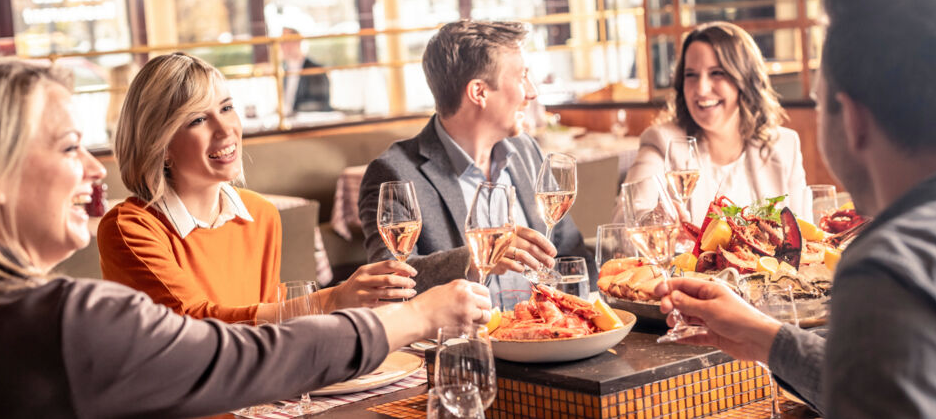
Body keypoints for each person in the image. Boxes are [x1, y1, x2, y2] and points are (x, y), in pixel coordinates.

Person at [0, 59, 491, 417]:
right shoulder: (67, 321)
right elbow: (242, 352)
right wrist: (412, 318)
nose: (92, 168)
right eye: (67, 147)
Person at [657, 0, 936, 417]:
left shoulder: (889, 270)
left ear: (854, 119)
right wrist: (767, 338)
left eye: (821, 103)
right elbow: (887, 382)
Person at [99, 53, 413, 324]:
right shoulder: (129, 228)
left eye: (225, 108)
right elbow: (195, 326)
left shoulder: (259, 215)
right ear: (161, 144)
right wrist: (330, 301)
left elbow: (265, 337)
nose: (225, 130)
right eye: (197, 120)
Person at [358, 20, 595, 299]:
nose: (532, 92)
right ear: (479, 92)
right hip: (462, 340)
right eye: (522, 77)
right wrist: (474, 257)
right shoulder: (395, 172)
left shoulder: (525, 150)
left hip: (545, 334)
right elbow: (387, 284)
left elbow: (571, 254)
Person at [622, 21, 807, 220]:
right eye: (691, 75)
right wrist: (654, 221)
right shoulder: (662, 142)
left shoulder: (785, 146)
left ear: (744, 79)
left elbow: (805, 234)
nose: (701, 89)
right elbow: (628, 220)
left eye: (717, 73)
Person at [281, 27, 331, 113]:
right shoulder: (284, 72)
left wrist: (295, 111)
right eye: (281, 42)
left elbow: (320, 102)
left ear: (298, 42)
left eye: (287, 41)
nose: (282, 46)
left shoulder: (316, 70)